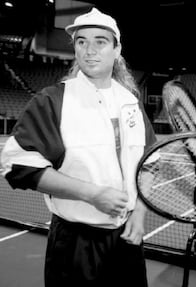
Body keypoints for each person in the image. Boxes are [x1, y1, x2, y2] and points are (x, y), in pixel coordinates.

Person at [0, 8, 156, 287]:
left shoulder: (131, 103)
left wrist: (140, 213)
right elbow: (18, 165)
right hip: (75, 244)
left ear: (117, 49)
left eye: (100, 41)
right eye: (81, 41)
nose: (89, 50)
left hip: (127, 240)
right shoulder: (53, 100)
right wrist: (92, 194)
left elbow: (150, 163)